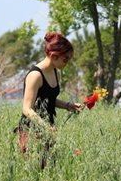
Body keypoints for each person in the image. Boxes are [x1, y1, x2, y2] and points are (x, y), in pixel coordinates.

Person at [15, 31, 82, 169]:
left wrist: (68, 105)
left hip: (48, 129)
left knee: (48, 171)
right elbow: (27, 109)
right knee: (33, 172)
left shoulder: (54, 71)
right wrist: (45, 127)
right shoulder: (35, 75)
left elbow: (49, 99)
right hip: (32, 130)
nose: (67, 62)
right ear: (53, 56)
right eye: (66, 59)